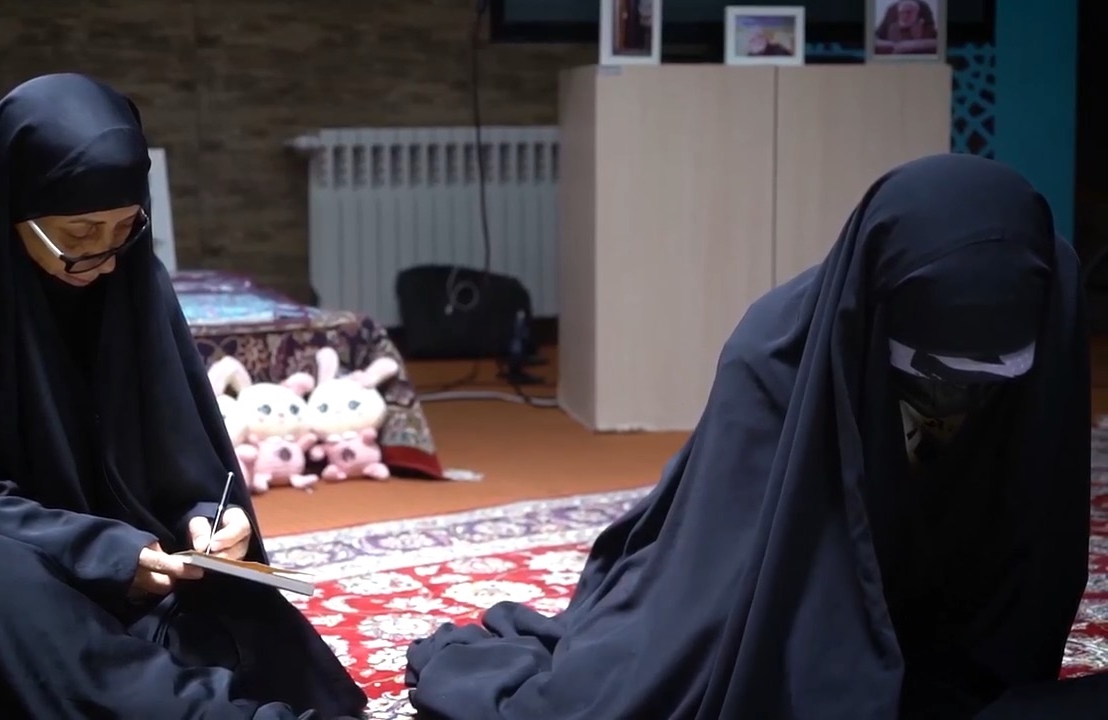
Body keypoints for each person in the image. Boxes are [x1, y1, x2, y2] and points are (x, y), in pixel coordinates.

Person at [404, 154, 1099, 719]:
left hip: (945, 585)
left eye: (991, 375)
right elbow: (729, 568)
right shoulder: (771, 355)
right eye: (935, 371)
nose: (957, 401)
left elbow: (1033, 523)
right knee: (627, 690)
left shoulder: (1050, 308)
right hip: (780, 573)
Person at [0, 74, 366, 720]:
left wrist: (208, 517)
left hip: (127, 570)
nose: (105, 260)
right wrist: (96, 551)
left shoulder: (128, 276)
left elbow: (177, 458)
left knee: (243, 619)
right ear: (7, 206)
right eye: (79, 235)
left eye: (124, 228)